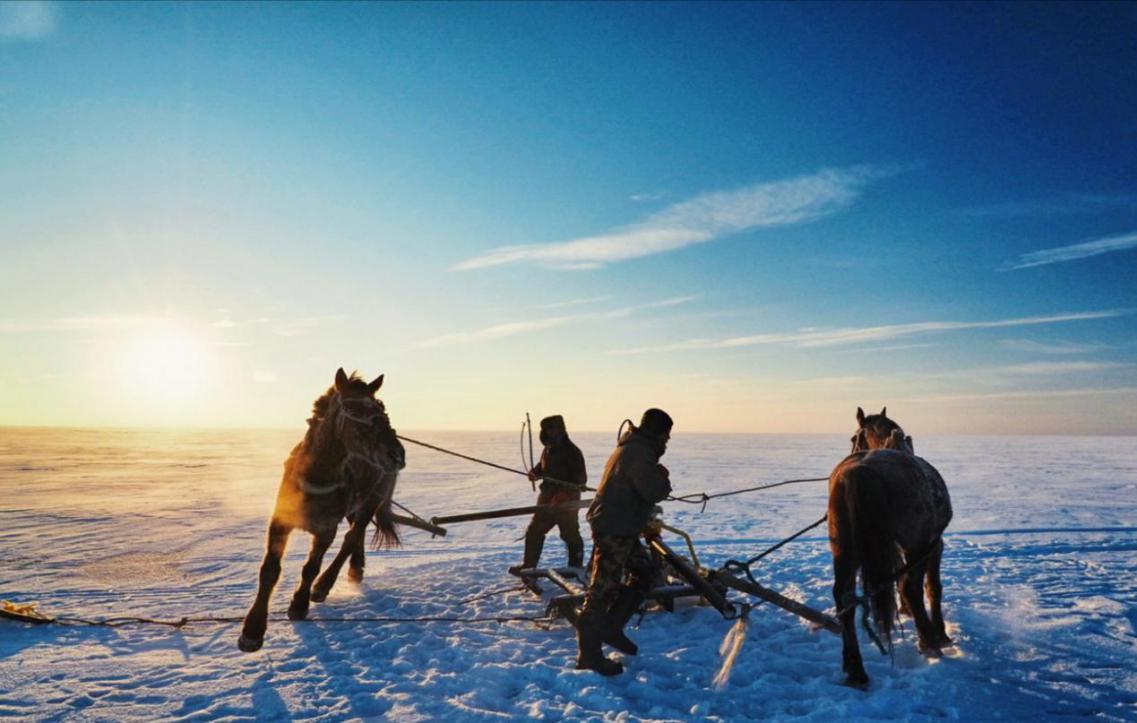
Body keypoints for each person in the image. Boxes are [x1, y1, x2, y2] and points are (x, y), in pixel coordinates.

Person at [575, 408, 673, 676]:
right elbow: (654, 490)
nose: (667, 442)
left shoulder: (634, 448)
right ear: (658, 432)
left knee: (645, 571)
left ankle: (612, 627)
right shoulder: (638, 453)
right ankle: (589, 655)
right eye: (666, 436)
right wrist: (662, 475)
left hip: (623, 525)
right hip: (614, 527)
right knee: (602, 589)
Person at [508, 415, 587, 575]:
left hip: (566, 503)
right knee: (534, 531)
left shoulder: (572, 451)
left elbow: (581, 478)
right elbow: (543, 467)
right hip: (546, 499)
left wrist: (565, 494)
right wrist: (535, 472)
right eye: (547, 429)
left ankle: (575, 568)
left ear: (561, 429)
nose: (550, 432)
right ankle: (529, 567)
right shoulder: (549, 449)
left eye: (553, 428)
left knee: (570, 534)